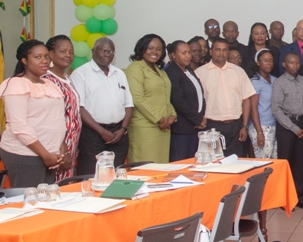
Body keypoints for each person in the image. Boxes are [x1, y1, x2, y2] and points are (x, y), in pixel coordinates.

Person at [0, 40, 69, 187]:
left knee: (45, 201)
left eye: (46, 56)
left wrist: (61, 149)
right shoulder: (16, 84)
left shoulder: (51, 85)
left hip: (51, 155)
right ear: (24, 60)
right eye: (38, 57)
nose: (44, 61)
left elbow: (56, 120)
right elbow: (19, 127)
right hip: (25, 155)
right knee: (30, 202)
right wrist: (45, 155)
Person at [71, 38, 133, 174]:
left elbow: (129, 105)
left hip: (119, 134)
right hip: (93, 134)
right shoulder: (80, 74)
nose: (107, 54)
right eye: (103, 51)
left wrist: (123, 129)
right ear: (93, 51)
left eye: (111, 51)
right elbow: (79, 108)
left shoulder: (119, 74)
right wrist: (102, 131)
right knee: (91, 175)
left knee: (116, 175)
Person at [194, 38, 255, 157]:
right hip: (211, 127)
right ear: (210, 52)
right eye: (217, 49)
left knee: (236, 162)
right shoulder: (200, 73)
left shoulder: (238, 71)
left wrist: (244, 126)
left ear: (228, 52)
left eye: (224, 50)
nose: (221, 53)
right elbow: (195, 101)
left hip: (236, 127)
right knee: (213, 163)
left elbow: (246, 99)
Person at [125, 34, 176, 163]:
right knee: (145, 169)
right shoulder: (135, 68)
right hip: (145, 129)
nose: (154, 52)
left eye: (158, 49)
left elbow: (165, 96)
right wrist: (159, 119)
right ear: (142, 49)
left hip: (164, 129)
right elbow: (137, 98)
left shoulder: (161, 71)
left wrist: (173, 115)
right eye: (150, 48)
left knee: (160, 169)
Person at [272, 52, 303, 209]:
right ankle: (284, 199)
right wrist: (294, 128)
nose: (295, 65)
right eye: (291, 63)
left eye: (297, 63)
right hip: (286, 127)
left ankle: (299, 197)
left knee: (301, 164)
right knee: (286, 163)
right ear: (284, 64)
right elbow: (276, 110)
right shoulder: (280, 83)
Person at [43, 35, 80, 182]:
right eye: (63, 51)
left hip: (71, 144)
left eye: (71, 52)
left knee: (66, 187)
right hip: (57, 147)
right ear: (51, 54)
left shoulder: (65, 76)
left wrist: (75, 145)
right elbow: (50, 118)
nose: (68, 55)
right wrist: (63, 149)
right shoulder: (47, 79)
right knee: (56, 187)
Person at [164, 40, 206, 162]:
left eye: (189, 52)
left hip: (194, 127)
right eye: (183, 53)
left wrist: (201, 116)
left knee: (192, 162)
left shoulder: (188, 70)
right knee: (181, 163)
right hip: (182, 128)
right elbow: (178, 101)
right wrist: (197, 118)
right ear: (173, 55)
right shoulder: (172, 72)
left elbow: (199, 94)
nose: (188, 56)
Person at [248, 49, 277, 159]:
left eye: (271, 60)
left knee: (274, 161)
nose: (269, 63)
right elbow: (253, 109)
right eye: (265, 60)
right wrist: (259, 132)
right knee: (263, 161)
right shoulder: (255, 82)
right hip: (261, 126)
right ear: (258, 62)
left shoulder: (275, 80)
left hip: (274, 124)